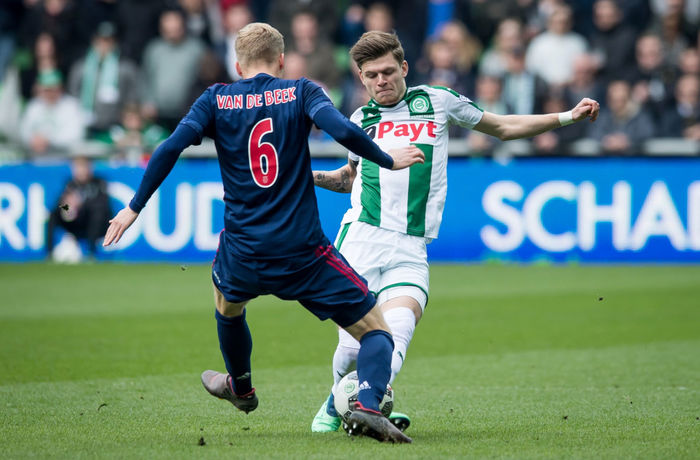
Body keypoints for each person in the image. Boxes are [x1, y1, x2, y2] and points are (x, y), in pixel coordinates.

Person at [102, 23, 424, 444]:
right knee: (376, 330)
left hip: (245, 250)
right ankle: (366, 405)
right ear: (282, 60)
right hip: (304, 252)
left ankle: (241, 387)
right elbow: (343, 130)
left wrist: (133, 207)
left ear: (238, 65)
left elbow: (168, 148)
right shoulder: (301, 91)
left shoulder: (215, 98)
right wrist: (385, 158)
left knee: (227, 307)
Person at [310, 30, 599, 433]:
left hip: (412, 246)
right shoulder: (360, 121)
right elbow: (349, 179)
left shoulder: (437, 101)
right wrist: (308, 178)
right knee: (351, 350)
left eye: (389, 71)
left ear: (404, 68)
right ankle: (335, 399)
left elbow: (503, 127)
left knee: (399, 330)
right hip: (361, 241)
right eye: (371, 75)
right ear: (361, 78)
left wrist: (567, 116)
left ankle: (370, 407)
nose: (382, 81)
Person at [46, 155, 111, 260]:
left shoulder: (98, 183)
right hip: (76, 221)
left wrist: (81, 204)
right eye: (77, 168)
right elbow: (60, 205)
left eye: (83, 168)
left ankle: (91, 252)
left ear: (89, 169)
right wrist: (68, 206)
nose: (80, 171)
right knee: (52, 215)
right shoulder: (70, 184)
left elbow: (103, 204)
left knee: (96, 214)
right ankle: (49, 253)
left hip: (95, 222)